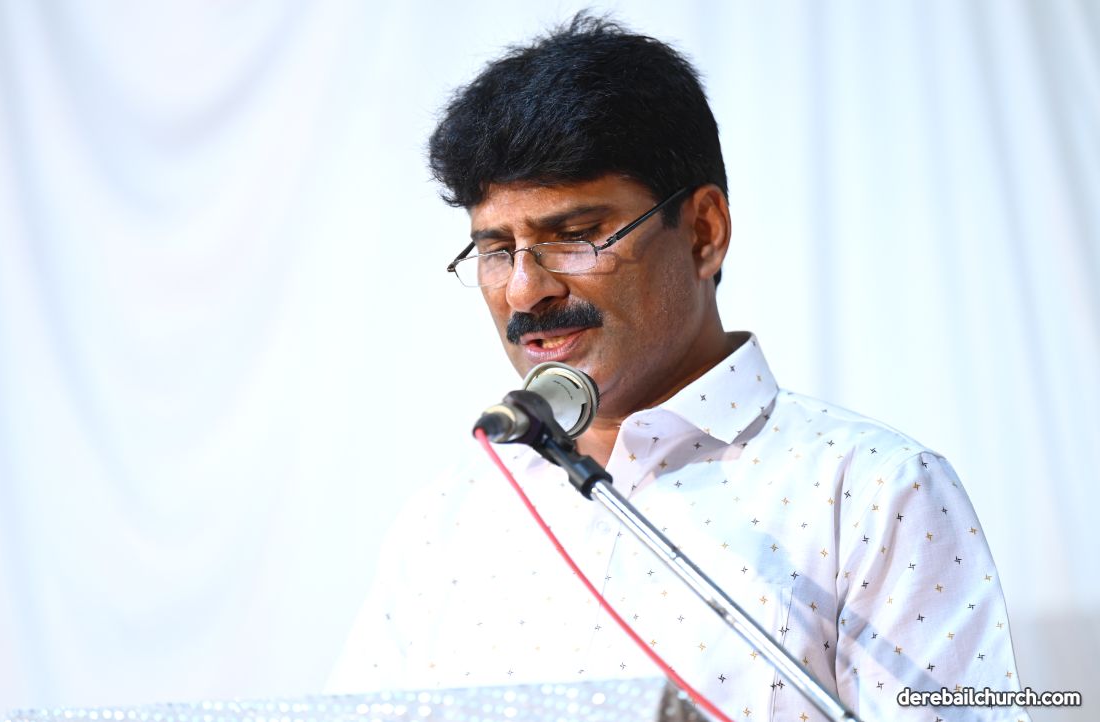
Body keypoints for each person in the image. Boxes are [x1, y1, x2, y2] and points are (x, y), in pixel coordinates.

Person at [329, 14, 1028, 721]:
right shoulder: (447, 518)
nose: (523, 289)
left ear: (702, 233)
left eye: (574, 236)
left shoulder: (872, 491)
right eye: (494, 250)